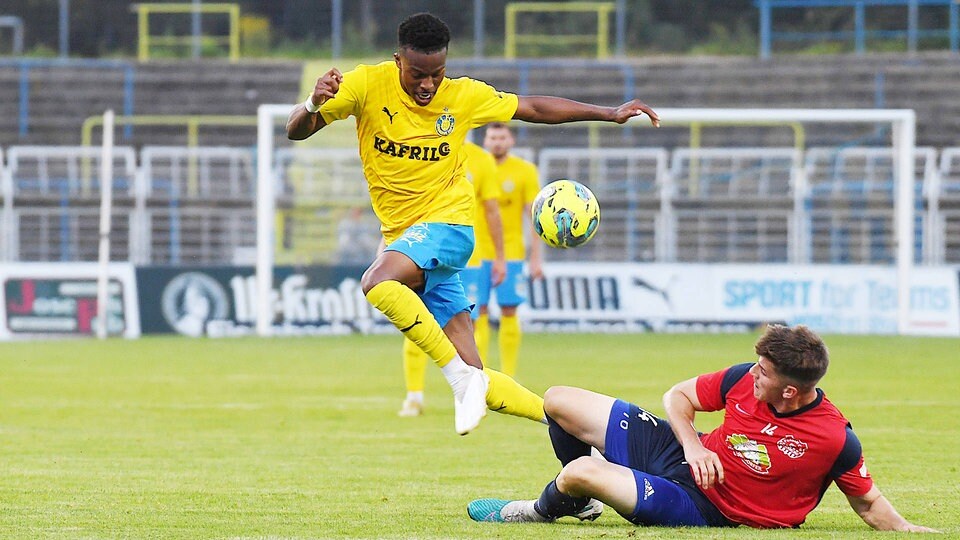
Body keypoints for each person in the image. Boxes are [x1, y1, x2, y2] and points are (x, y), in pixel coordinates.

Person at [286, 12, 659, 435]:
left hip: (450, 226)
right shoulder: (365, 85)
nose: (428, 85)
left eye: (436, 74)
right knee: (481, 377)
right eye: (417, 75)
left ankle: (458, 378)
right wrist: (314, 103)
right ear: (397, 61)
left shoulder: (463, 95)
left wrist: (608, 113)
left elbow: (532, 107)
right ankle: (579, 435)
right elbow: (297, 131)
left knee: (377, 282)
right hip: (407, 237)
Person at [467, 325, 936, 532]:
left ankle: (537, 510)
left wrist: (910, 528)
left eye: (763, 373)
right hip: (682, 455)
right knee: (559, 400)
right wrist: (692, 446)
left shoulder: (834, 439)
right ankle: (587, 505)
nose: (752, 375)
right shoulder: (741, 380)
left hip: (702, 506)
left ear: (791, 392)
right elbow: (678, 396)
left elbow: (868, 501)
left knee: (578, 475)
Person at [398, 141, 505, 417]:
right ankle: (414, 395)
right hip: (422, 249)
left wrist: (500, 255)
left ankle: (473, 390)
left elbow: (492, 210)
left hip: (469, 254)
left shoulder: (482, 160)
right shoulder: (422, 149)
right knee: (415, 317)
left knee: (471, 321)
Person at [473, 122, 543, 378]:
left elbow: (534, 216)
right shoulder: (476, 167)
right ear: (486, 141)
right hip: (477, 252)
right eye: (493, 138)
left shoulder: (524, 171)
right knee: (476, 311)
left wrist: (536, 257)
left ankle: (508, 375)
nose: (497, 142)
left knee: (509, 309)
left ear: (511, 140)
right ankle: (479, 375)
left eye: (502, 137)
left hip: (512, 252)